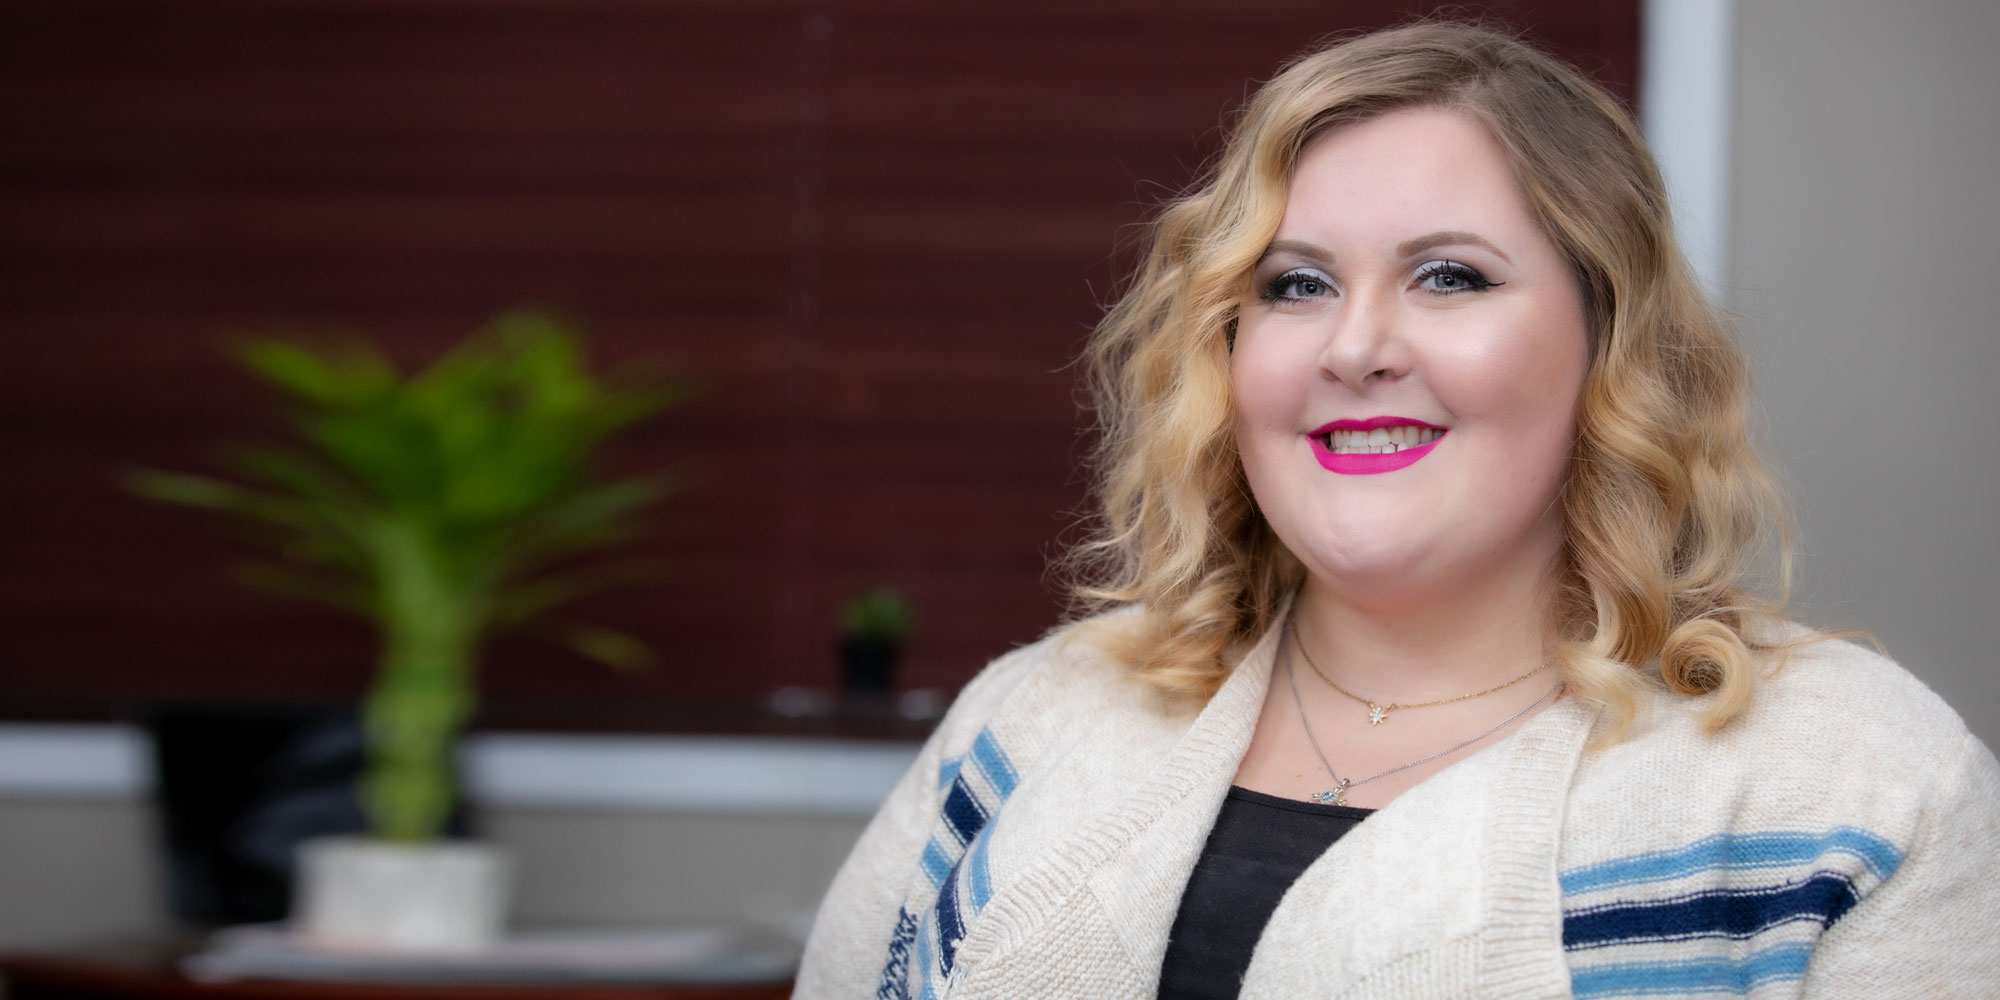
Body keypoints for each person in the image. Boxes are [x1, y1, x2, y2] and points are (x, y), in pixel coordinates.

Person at [793, 21, 2000, 999]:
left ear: (1608, 341)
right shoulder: (1028, 723)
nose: (1355, 345)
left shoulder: (1855, 785)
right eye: (1296, 284)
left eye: (1448, 276)